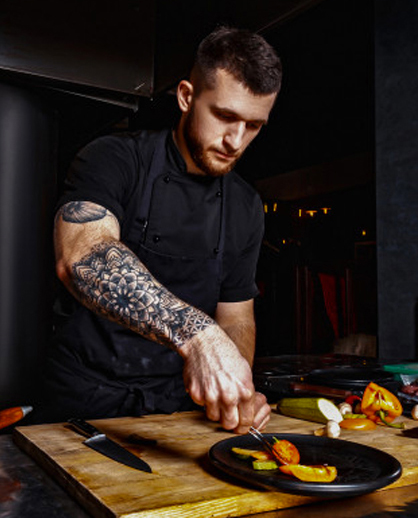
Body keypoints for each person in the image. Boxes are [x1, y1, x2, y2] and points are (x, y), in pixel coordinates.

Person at [41, 26, 282, 434]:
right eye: (224, 116)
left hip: (179, 413)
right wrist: (198, 334)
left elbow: (236, 317)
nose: (235, 141)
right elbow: (82, 256)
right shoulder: (114, 158)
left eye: (254, 125)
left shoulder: (245, 205)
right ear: (186, 96)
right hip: (82, 406)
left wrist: (235, 387)